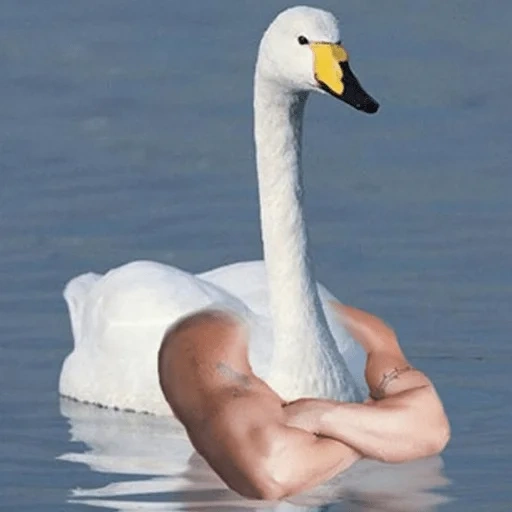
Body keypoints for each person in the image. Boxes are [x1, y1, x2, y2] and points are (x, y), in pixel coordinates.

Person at [158, 302, 450, 500]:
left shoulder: (362, 331)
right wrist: (379, 425)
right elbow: (272, 473)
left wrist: (319, 415)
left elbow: (433, 429)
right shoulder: (208, 336)